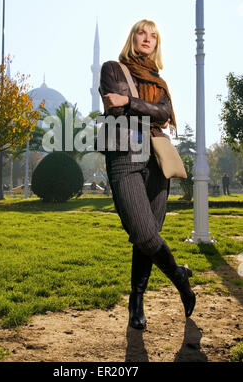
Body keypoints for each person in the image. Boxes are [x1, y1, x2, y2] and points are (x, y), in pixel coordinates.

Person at [98, 19, 196, 330]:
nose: (148, 38)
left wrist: (129, 101)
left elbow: (165, 115)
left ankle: (136, 302)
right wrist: (138, 106)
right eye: (143, 32)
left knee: (148, 234)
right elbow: (113, 108)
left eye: (153, 35)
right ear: (132, 37)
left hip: (156, 160)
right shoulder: (112, 69)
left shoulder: (158, 80)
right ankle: (179, 277)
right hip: (124, 155)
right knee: (142, 233)